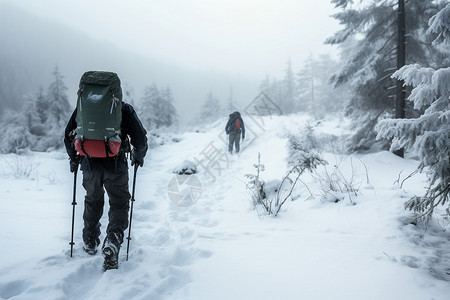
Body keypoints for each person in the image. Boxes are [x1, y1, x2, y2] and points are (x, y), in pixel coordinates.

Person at [64, 99, 147, 270]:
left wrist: (73, 159)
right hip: (116, 165)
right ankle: (113, 241)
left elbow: (68, 134)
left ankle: (90, 240)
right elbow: (140, 137)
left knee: (92, 200)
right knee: (119, 203)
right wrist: (139, 155)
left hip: (89, 164)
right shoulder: (124, 109)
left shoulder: (84, 106)